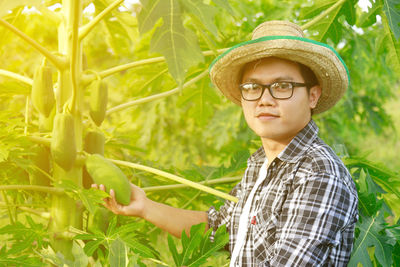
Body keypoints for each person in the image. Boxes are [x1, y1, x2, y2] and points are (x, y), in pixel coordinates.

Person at [93, 20, 358, 266]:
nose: (265, 99)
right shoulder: (260, 166)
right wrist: (145, 206)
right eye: (252, 87)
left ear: (313, 96)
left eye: (282, 86)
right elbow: (218, 229)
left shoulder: (319, 173)